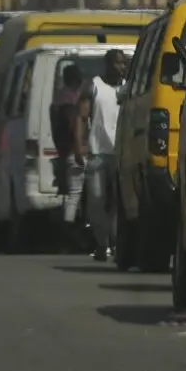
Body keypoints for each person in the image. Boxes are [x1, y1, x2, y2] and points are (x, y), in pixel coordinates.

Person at [76, 50, 126, 263]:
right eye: (118, 63)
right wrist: (80, 146)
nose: (122, 67)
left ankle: (114, 244)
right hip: (97, 153)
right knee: (96, 202)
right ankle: (101, 243)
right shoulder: (93, 86)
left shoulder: (128, 88)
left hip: (121, 154)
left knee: (117, 203)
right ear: (107, 64)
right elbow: (81, 117)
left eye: (124, 64)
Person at [50, 62, 83, 195]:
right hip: (69, 143)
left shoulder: (59, 95)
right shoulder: (69, 97)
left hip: (60, 141)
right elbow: (73, 122)